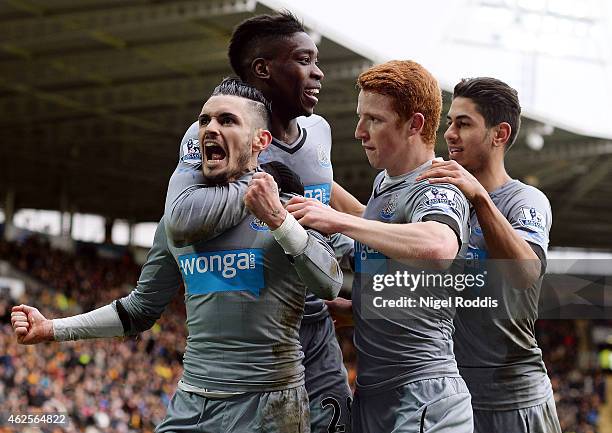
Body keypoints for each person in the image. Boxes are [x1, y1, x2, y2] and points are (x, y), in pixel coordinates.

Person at [12, 78, 343, 433]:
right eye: (205, 121)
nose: (211, 129)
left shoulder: (290, 207)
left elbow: (329, 283)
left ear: (260, 141)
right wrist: (52, 328)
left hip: (270, 407)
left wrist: (279, 222)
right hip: (191, 405)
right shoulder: (176, 222)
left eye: (227, 120)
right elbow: (140, 309)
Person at [168, 12, 354, 431]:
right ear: (263, 69)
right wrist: (264, 187)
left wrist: (376, 231)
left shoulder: (319, 131)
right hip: (255, 333)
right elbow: (180, 220)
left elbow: (320, 196)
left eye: (317, 60)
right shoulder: (213, 138)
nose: (318, 72)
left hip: (316, 325)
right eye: (304, 60)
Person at [287, 60, 474, 433]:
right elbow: (382, 237)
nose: (359, 131)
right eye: (361, 117)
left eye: (374, 119)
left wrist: (336, 220)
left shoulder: (436, 185)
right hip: (374, 394)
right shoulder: (386, 184)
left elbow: (438, 247)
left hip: (423, 396)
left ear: (414, 125)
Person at [416, 77, 561, 433]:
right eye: (450, 122)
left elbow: (524, 272)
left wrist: (480, 198)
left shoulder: (525, 201)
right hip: (454, 400)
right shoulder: (446, 203)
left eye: (463, 124)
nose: (449, 133)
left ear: (499, 134)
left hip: (515, 401)